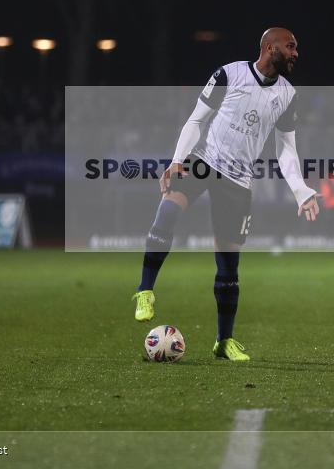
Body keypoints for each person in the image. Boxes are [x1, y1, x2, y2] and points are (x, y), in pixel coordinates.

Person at [132, 27, 320, 362]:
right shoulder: (228, 74)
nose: (295, 53)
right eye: (290, 46)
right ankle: (145, 290)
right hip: (203, 159)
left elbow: (286, 150)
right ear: (270, 46)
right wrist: (177, 160)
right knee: (168, 211)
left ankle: (224, 341)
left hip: (239, 179)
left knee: (228, 265)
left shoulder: (288, 95)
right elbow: (196, 119)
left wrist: (301, 190)